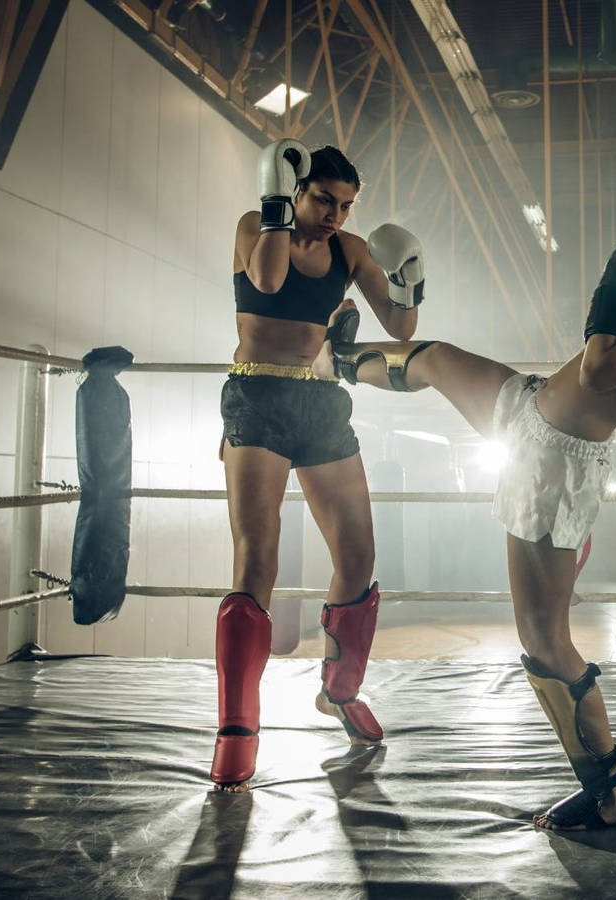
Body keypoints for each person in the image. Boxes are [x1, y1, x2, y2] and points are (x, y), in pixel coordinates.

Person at [311, 185, 616, 829]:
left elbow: (599, 372)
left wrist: (613, 288)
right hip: (527, 409)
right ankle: (340, 362)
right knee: (435, 359)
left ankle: (610, 794)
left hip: (554, 458)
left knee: (544, 638)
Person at [212, 139, 426, 792]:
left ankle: (338, 690)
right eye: (325, 200)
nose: (336, 215)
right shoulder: (257, 227)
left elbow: (402, 325)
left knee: (358, 559)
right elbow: (271, 281)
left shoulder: (351, 251)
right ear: (296, 191)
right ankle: (236, 730)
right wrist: (276, 202)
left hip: (319, 401)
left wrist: (410, 273)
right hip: (257, 396)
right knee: (258, 562)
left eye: (346, 205)